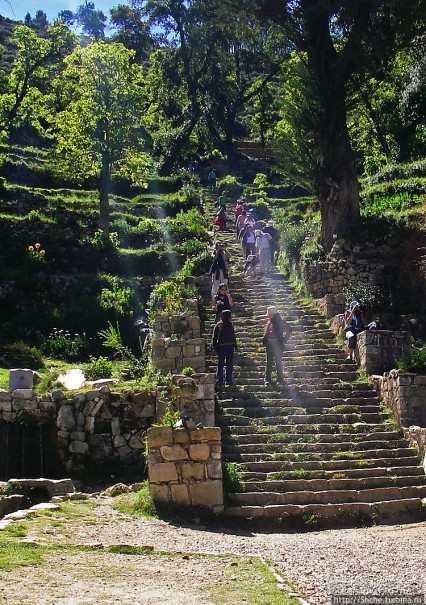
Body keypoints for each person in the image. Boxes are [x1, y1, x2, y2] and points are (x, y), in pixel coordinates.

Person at [262, 306, 291, 386]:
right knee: (269, 363)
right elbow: (268, 333)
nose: (268, 316)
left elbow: (289, 330)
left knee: (278, 362)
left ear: (273, 314)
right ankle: (267, 379)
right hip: (270, 345)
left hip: (278, 345)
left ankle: (280, 379)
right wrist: (264, 340)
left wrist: (284, 340)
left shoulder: (280, 322)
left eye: (270, 314)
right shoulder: (270, 323)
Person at [212, 309, 238, 387]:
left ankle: (227, 380)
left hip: (229, 346)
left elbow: (233, 336)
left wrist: (235, 345)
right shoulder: (219, 325)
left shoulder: (230, 325)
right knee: (221, 364)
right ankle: (220, 380)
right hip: (222, 347)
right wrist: (214, 347)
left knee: (228, 364)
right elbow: (214, 337)